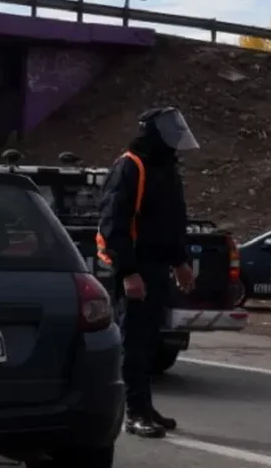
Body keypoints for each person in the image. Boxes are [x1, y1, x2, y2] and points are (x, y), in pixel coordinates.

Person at [95, 106, 199, 439]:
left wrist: (180, 261)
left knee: (150, 343)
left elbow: (171, 223)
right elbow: (114, 224)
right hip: (136, 269)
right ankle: (133, 413)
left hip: (157, 268)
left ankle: (146, 406)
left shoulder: (166, 168)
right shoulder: (131, 165)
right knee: (134, 343)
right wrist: (127, 271)